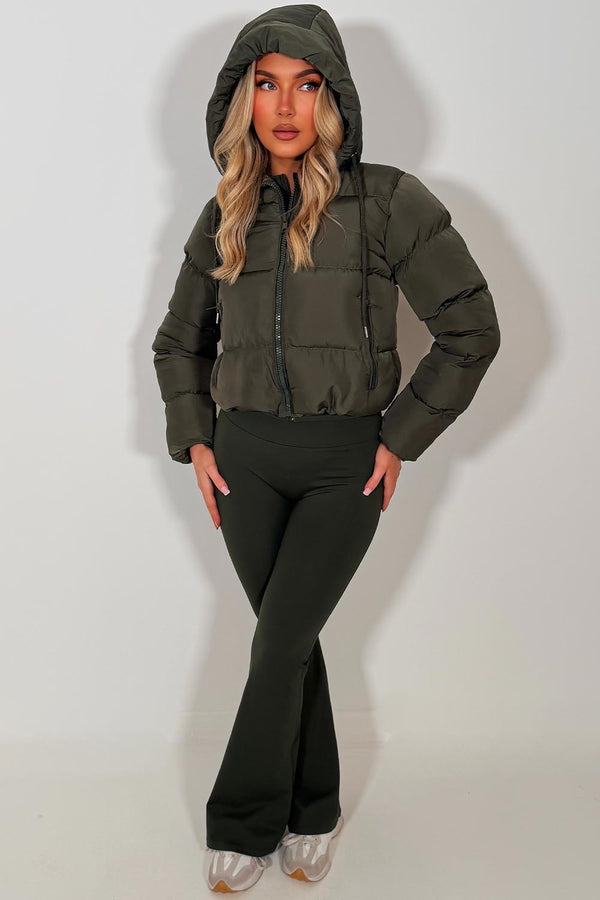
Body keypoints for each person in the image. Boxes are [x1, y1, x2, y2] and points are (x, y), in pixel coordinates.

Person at [151, 3, 501, 892]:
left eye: (306, 85)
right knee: (291, 641)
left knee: (276, 645)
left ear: (334, 98)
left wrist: (401, 437)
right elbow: (178, 342)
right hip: (244, 463)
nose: (285, 106)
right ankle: (313, 809)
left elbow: (471, 329)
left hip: (347, 464)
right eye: (266, 84)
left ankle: (241, 822)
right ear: (241, 99)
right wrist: (196, 440)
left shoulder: (386, 201)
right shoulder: (225, 212)